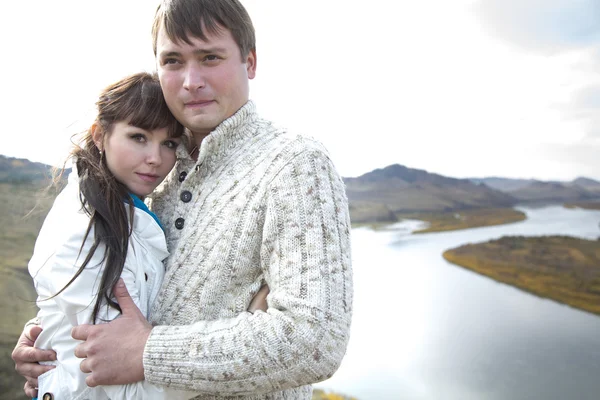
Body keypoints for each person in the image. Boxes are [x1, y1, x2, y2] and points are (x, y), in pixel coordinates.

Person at [13, 0, 353, 398]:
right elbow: (115, 294)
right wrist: (55, 342)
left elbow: (316, 343)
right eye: (173, 60)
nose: (191, 80)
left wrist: (148, 352)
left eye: (210, 57)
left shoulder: (294, 164)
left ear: (250, 62)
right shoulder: (152, 172)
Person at [25, 72, 205, 399]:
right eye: (138, 137)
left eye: (168, 143)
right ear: (99, 136)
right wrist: (224, 370)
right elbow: (118, 375)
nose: (155, 158)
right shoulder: (86, 228)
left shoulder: (128, 212)